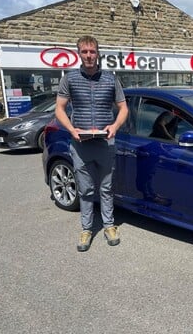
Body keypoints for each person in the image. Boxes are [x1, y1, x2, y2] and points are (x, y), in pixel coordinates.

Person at [55, 35, 128, 252]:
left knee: (106, 188)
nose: (89, 55)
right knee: (85, 190)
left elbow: (123, 108)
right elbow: (59, 108)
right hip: (81, 144)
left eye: (92, 51)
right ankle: (86, 229)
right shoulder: (69, 78)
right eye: (85, 52)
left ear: (98, 53)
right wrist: (71, 129)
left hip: (105, 144)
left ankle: (108, 225)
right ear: (79, 53)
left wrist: (115, 127)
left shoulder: (110, 78)